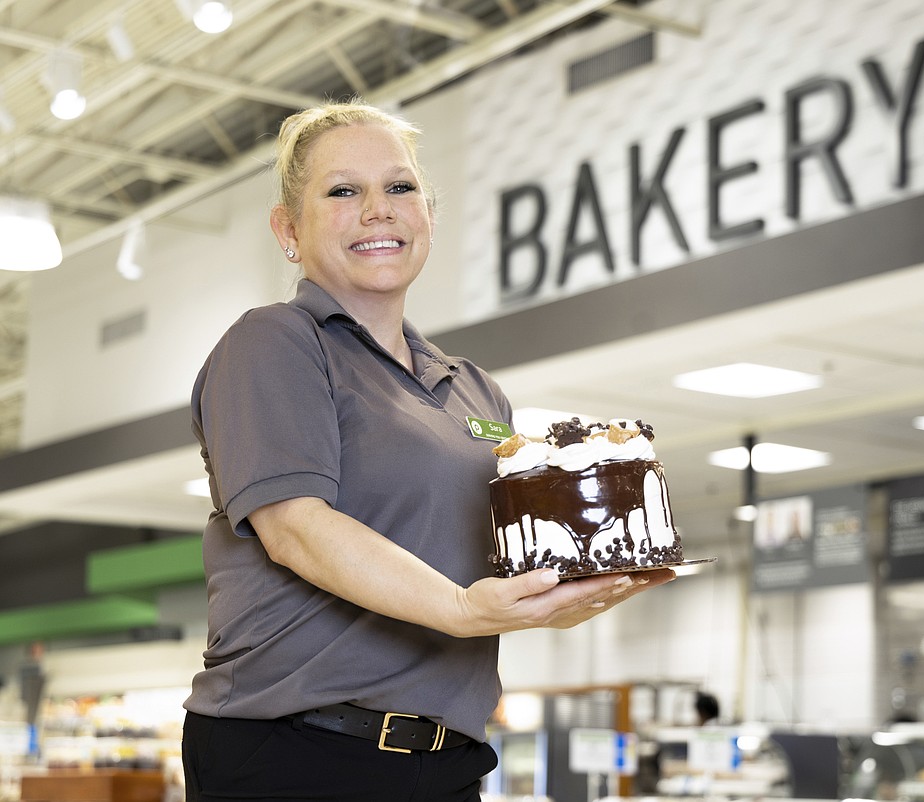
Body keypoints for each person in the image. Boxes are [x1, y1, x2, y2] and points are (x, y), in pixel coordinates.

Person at [180, 98, 675, 802]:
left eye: (400, 187)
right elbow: (294, 528)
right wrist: (464, 609)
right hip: (297, 753)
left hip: (449, 761)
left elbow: (496, 562)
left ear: (429, 217)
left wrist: (560, 596)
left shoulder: (475, 391)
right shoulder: (275, 342)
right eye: (343, 191)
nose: (378, 209)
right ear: (288, 230)